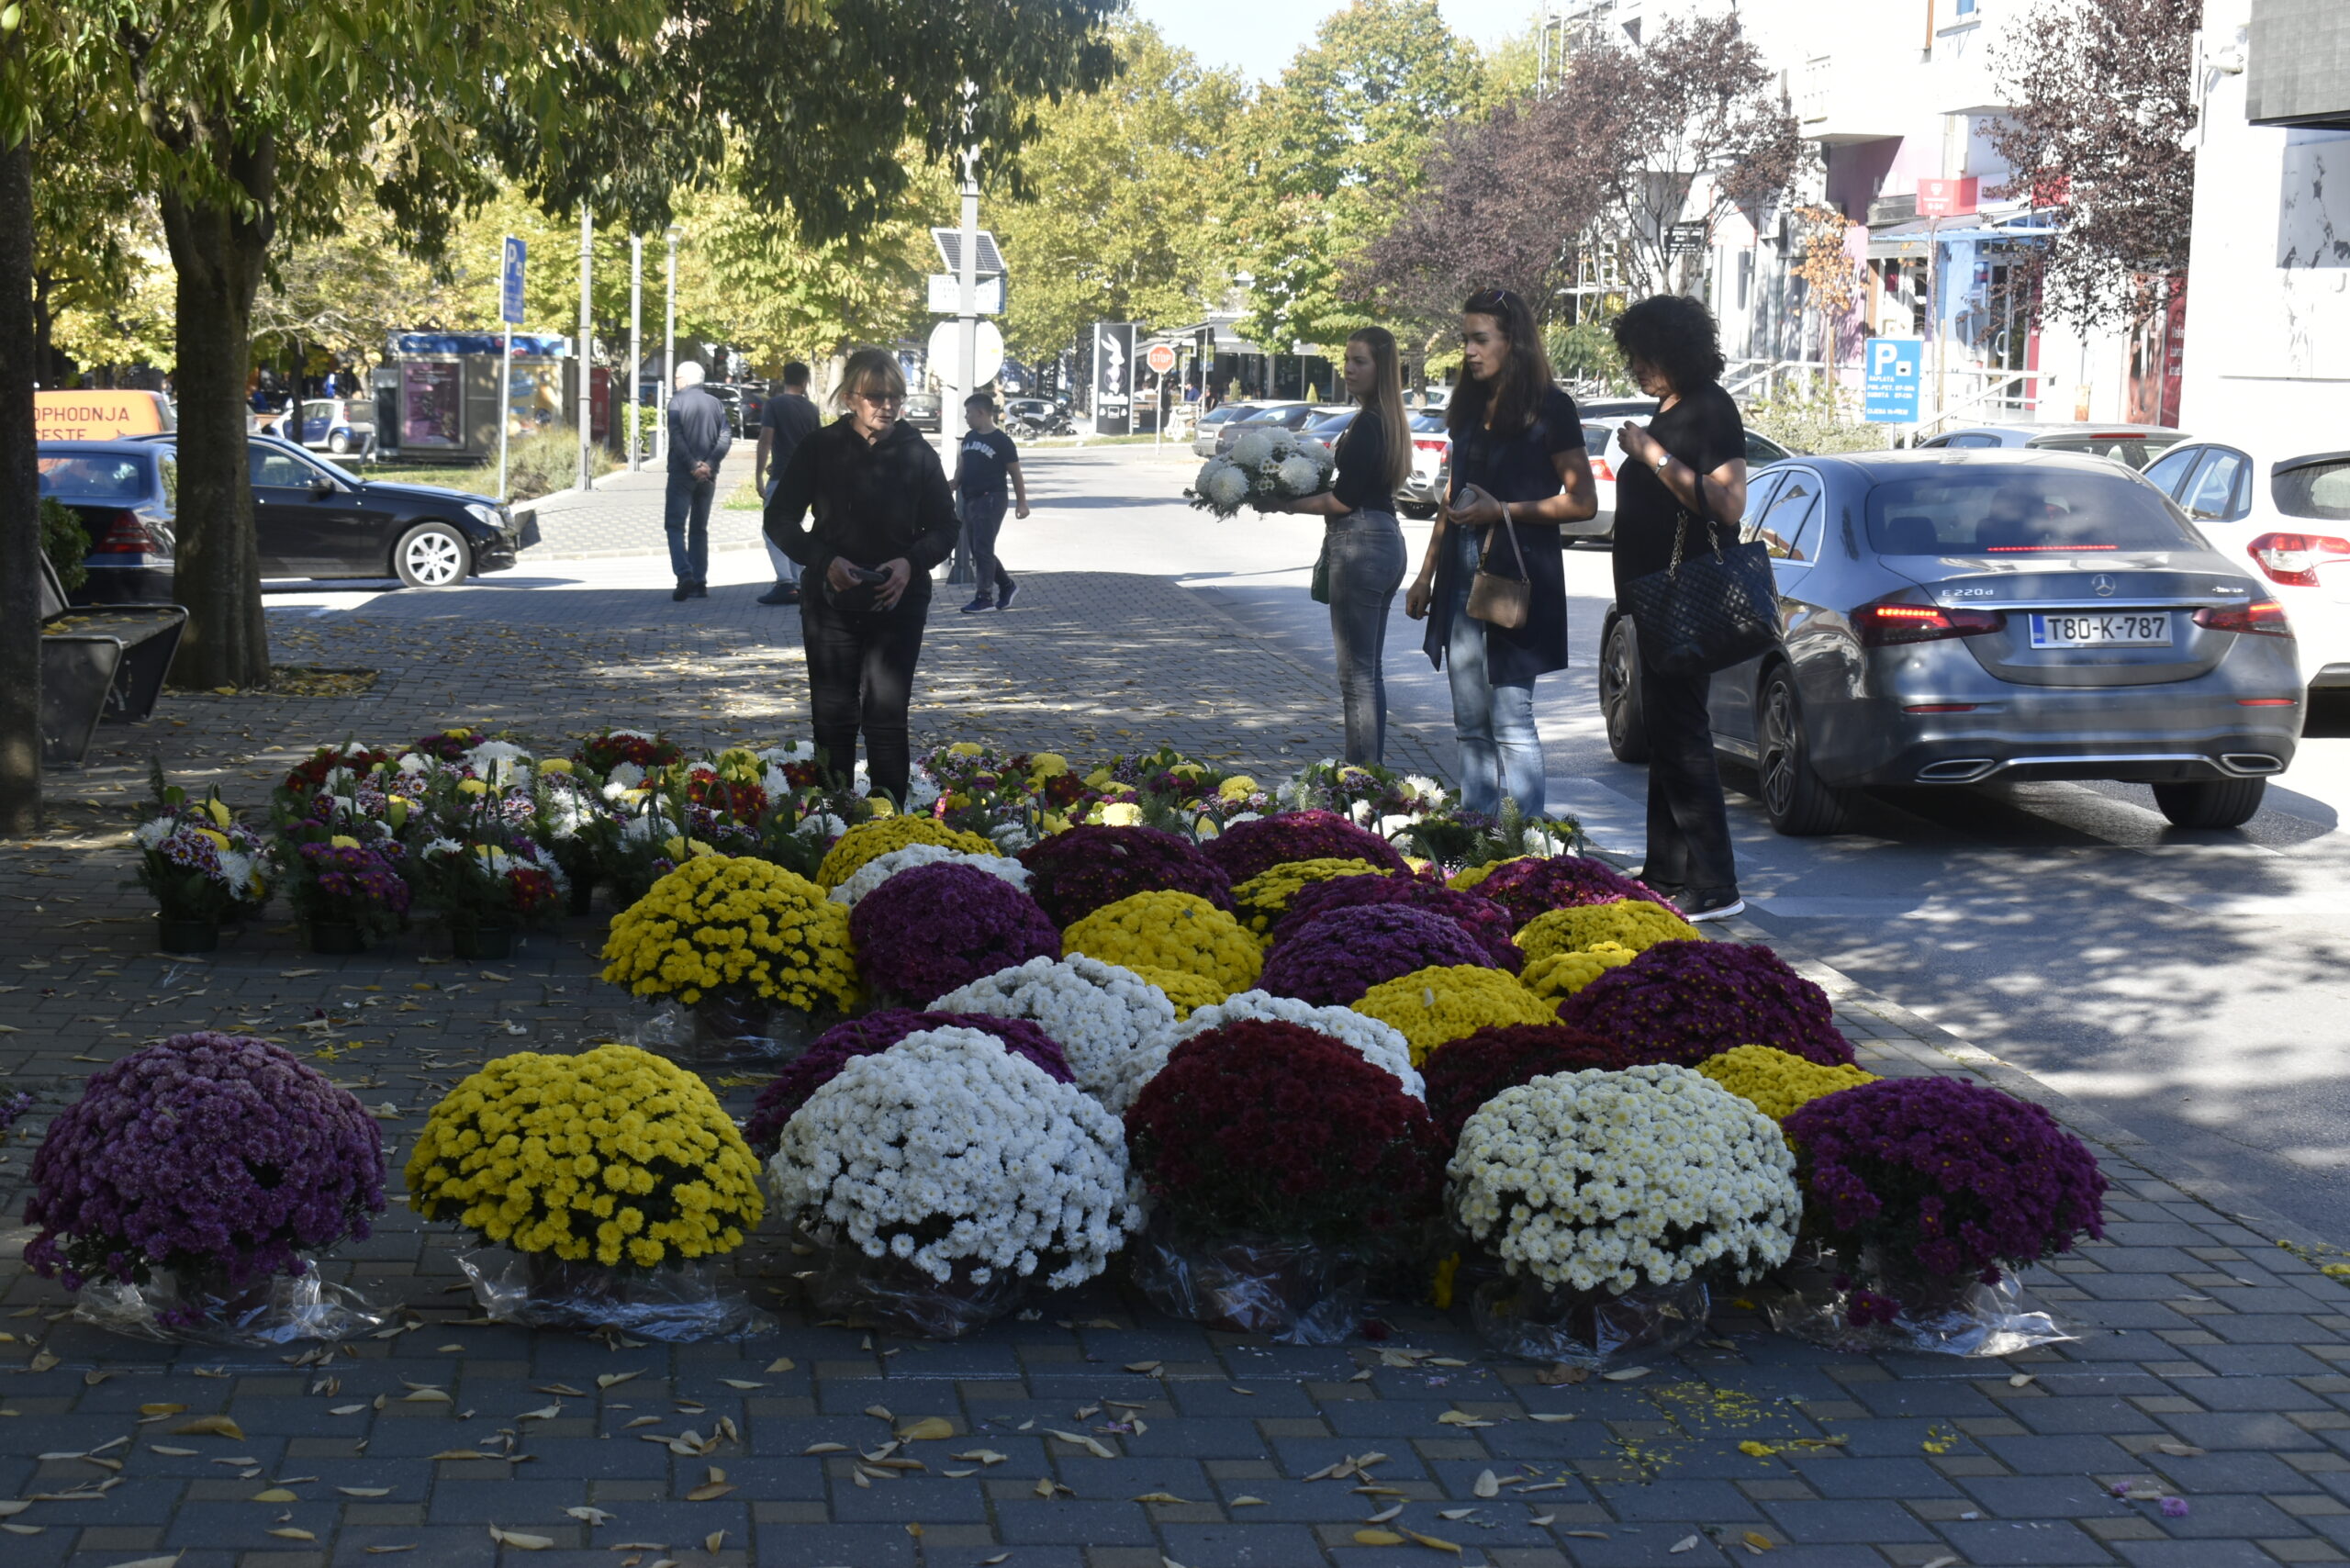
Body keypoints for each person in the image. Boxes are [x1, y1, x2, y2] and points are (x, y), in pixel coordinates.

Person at [1404, 287, 1596, 819]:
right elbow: (1451, 498)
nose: (1469, 350)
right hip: (1460, 583)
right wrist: (1425, 576)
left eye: (1480, 339)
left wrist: (1505, 509)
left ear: (1514, 343)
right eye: (1465, 338)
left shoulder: (1551, 408)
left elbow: (1583, 502)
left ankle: (1528, 851)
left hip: (1517, 580)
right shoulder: (1466, 408)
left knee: (1511, 720)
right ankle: (1476, 842)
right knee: (1470, 726)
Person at [1608, 293, 1751, 922]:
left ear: (1678, 352)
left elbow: (1728, 505)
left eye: (1648, 356)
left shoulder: (1709, 410)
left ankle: (1715, 883)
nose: (1637, 367)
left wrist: (1653, 456)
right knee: (1666, 735)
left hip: (1685, 594)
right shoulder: (1669, 407)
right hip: (1653, 595)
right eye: (1633, 356)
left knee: (1685, 736)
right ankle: (1665, 871)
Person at [764, 347, 959, 805]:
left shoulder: (917, 452)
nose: (887, 405)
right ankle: (834, 820)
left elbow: (948, 526)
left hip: (898, 603)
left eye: (895, 396)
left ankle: (888, 822)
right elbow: (780, 518)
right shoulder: (821, 447)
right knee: (832, 717)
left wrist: (911, 562)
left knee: (886, 717)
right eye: (876, 396)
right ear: (852, 397)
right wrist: (822, 559)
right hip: (831, 603)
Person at [1276, 327, 1411, 764]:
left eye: (1360, 361)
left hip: (1361, 542)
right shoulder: (1381, 417)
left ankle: (1362, 783)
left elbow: (1343, 499)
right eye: (1347, 360)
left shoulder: (1371, 423)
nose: (1349, 369)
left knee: (1356, 676)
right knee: (1368, 673)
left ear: (1382, 369)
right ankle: (1371, 776)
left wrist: (1286, 504)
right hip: (1383, 539)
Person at [950, 394, 1029, 613]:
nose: (966, 417)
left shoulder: (1001, 441)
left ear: (981, 413)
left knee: (983, 548)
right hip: (971, 498)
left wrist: (1022, 503)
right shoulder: (969, 437)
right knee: (979, 549)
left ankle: (984, 597)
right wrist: (956, 482)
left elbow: (1015, 473)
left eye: (968, 413)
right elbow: (963, 463)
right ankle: (1007, 586)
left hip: (992, 498)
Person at [754, 362, 822, 606]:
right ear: (805, 381)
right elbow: (818, 445)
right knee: (795, 526)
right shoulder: (811, 409)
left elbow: (765, 440)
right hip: (807, 477)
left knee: (772, 527)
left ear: (784, 379)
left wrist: (759, 474)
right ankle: (797, 580)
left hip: (782, 475)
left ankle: (785, 582)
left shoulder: (774, 405)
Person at [664, 361, 732, 601]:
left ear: (683, 379)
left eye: (676, 377)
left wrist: (693, 465)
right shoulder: (715, 403)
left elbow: (676, 436)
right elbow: (725, 436)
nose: (675, 381)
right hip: (709, 476)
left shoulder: (677, 402)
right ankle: (700, 581)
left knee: (674, 525)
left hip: (683, 473)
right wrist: (710, 464)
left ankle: (684, 574)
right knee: (699, 529)